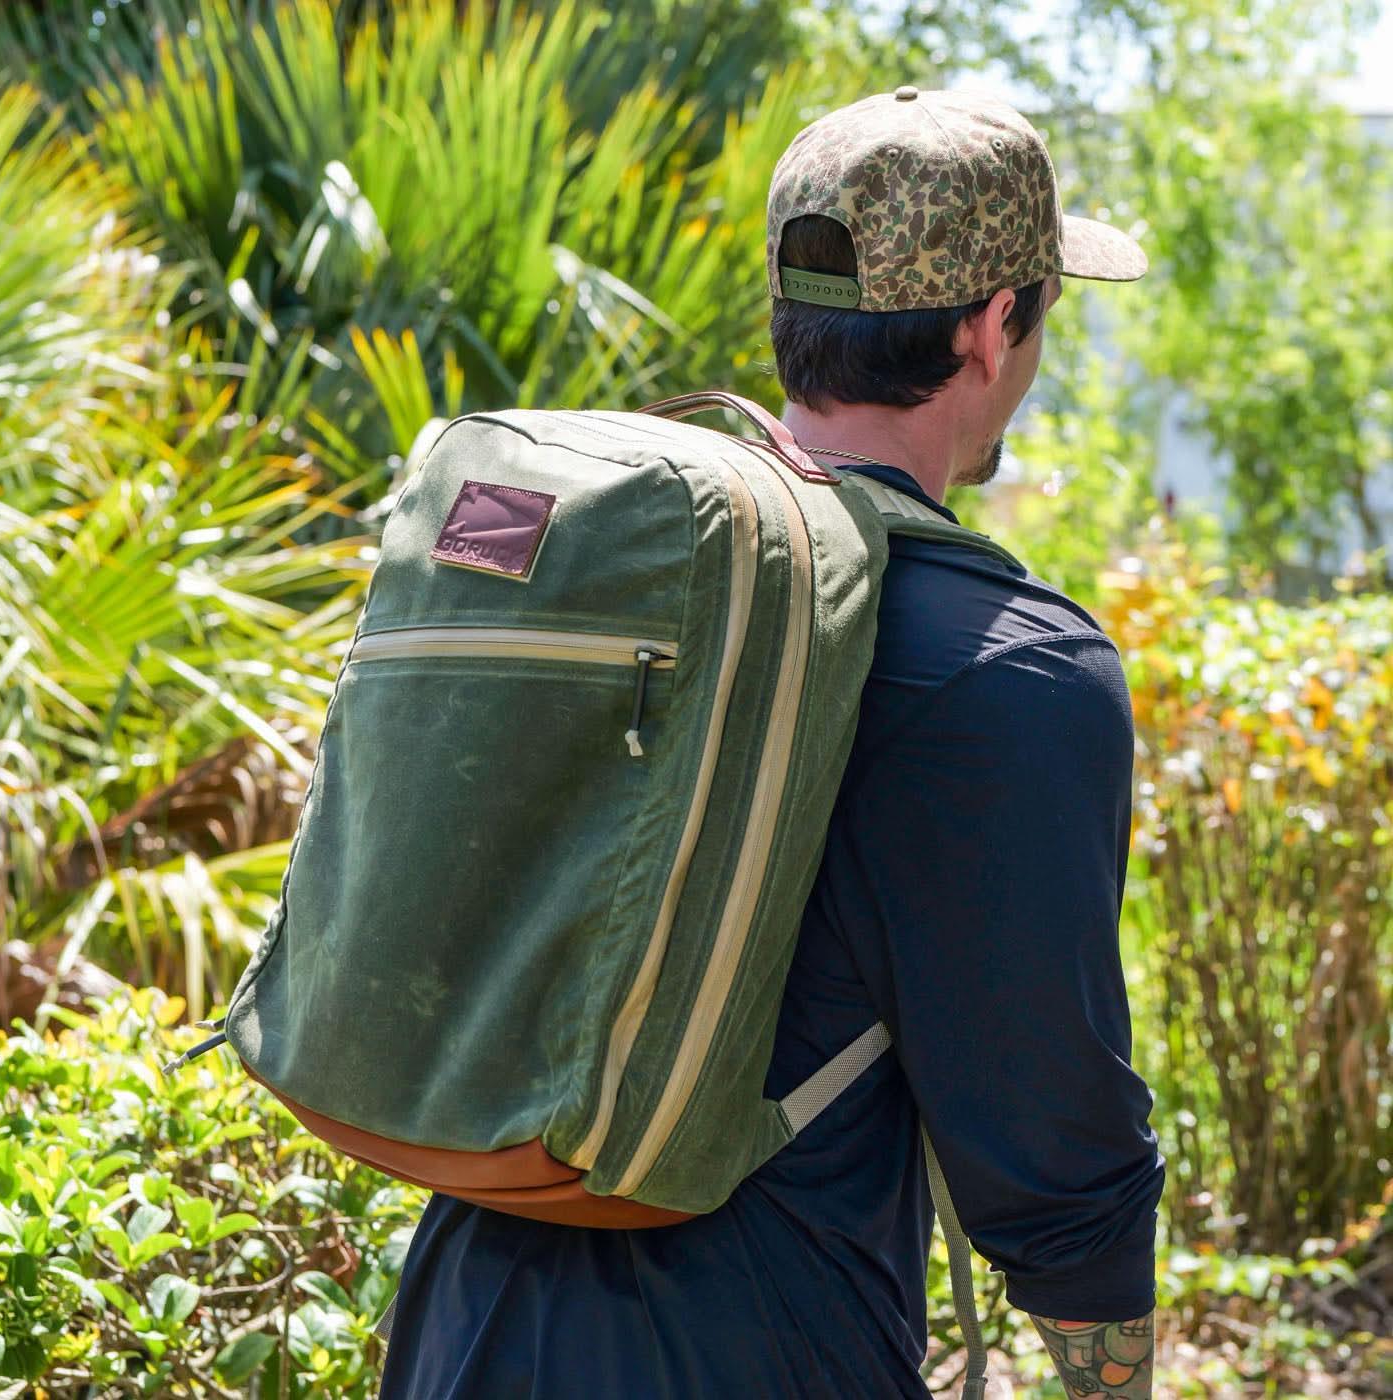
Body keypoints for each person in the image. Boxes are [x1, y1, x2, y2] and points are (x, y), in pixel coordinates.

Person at [379, 87, 1164, 1400]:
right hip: (750, 1346)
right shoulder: (1006, 664)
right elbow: (1056, 1149)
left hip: (464, 1313)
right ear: (990, 327)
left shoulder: (621, 564)